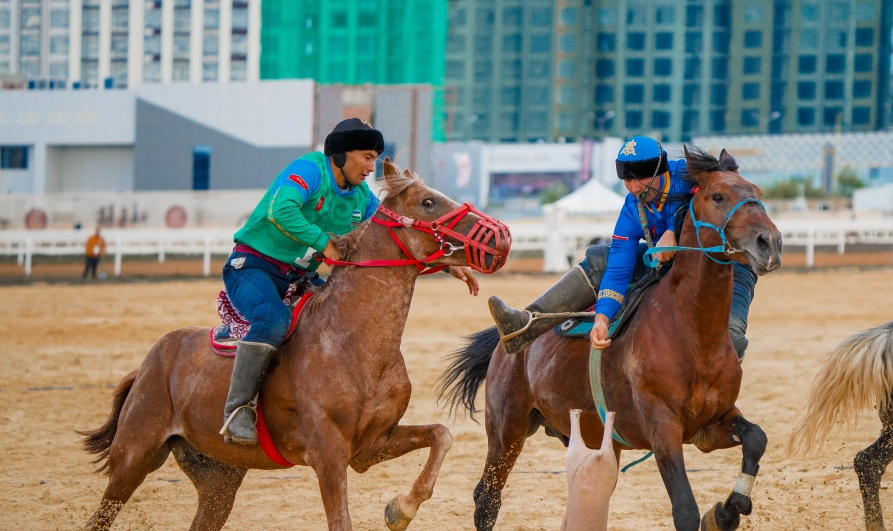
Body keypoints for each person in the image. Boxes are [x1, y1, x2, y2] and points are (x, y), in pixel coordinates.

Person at [219, 118, 477, 446]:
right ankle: (238, 408)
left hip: (301, 278)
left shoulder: (360, 197)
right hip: (252, 268)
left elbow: (390, 233)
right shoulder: (309, 169)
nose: (372, 166)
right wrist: (323, 242)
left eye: (374, 158)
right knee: (272, 319)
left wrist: (445, 264)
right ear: (340, 154)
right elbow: (280, 210)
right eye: (367, 156)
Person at [488, 136, 758, 358]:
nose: (632, 188)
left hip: (726, 264)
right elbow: (619, 265)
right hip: (674, 267)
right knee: (598, 258)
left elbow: (727, 202)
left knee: (731, 336)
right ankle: (527, 324)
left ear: (660, 171)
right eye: (626, 181)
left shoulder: (694, 177)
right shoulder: (632, 207)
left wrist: (673, 231)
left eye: (638, 179)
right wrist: (603, 317)